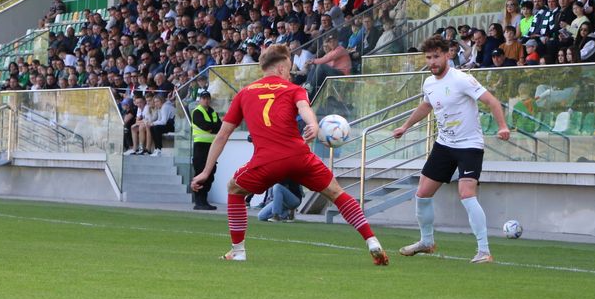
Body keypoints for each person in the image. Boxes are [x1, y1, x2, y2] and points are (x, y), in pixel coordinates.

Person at [190, 44, 388, 265]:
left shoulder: (244, 93)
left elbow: (222, 134)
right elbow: (304, 108)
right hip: (299, 156)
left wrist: (206, 171)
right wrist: (313, 125)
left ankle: (238, 250)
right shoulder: (293, 89)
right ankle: (371, 241)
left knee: (234, 189)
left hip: (267, 161)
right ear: (283, 68)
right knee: (336, 193)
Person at [392, 35, 510, 264]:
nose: (432, 61)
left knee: (466, 193)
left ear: (448, 55)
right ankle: (427, 241)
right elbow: (426, 105)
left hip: (469, 146)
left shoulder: (462, 79)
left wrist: (503, 126)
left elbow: (492, 101)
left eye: (436, 56)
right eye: (428, 57)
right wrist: (405, 127)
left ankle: (484, 251)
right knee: (422, 194)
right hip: (444, 145)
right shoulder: (428, 83)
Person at [190, 90, 221, 210]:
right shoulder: (197, 112)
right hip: (200, 145)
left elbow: (219, 126)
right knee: (200, 172)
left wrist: (211, 128)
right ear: (200, 99)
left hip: (212, 146)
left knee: (210, 173)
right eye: (204, 98)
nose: (206, 100)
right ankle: (199, 201)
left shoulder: (213, 112)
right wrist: (212, 127)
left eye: (208, 98)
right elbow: (205, 126)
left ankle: (204, 200)